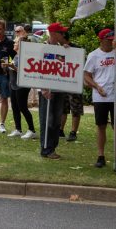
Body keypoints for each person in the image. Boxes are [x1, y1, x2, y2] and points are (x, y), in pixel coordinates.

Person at [83, 28, 116, 169]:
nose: (111, 42)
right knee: (101, 127)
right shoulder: (93, 55)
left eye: (113, 39)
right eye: (108, 40)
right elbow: (86, 75)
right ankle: (100, 156)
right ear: (101, 40)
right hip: (100, 97)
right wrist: (97, 87)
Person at [39, 22, 71, 159]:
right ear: (53, 33)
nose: (63, 35)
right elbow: (37, 70)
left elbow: (67, 66)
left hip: (59, 89)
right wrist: (43, 88)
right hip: (47, 91)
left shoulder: (62, 48)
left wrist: (68, 52)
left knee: (56, 121)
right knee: (48, 120)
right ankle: (46, 148)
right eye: (60, 32)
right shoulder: (42, 49)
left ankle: (52, 148)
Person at [8, 25, 37, 139]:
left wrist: (12, 67)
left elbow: (25, 71)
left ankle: (32, 130)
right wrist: (6, 66)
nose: (14, 44)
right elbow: (13, 68)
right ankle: (18, 129)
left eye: (15, 43)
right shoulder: (15, 56)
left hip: (22, 85)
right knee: (15, 107)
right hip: (13, 83)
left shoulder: (25, 56)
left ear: (20, 45)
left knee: (23, 107)